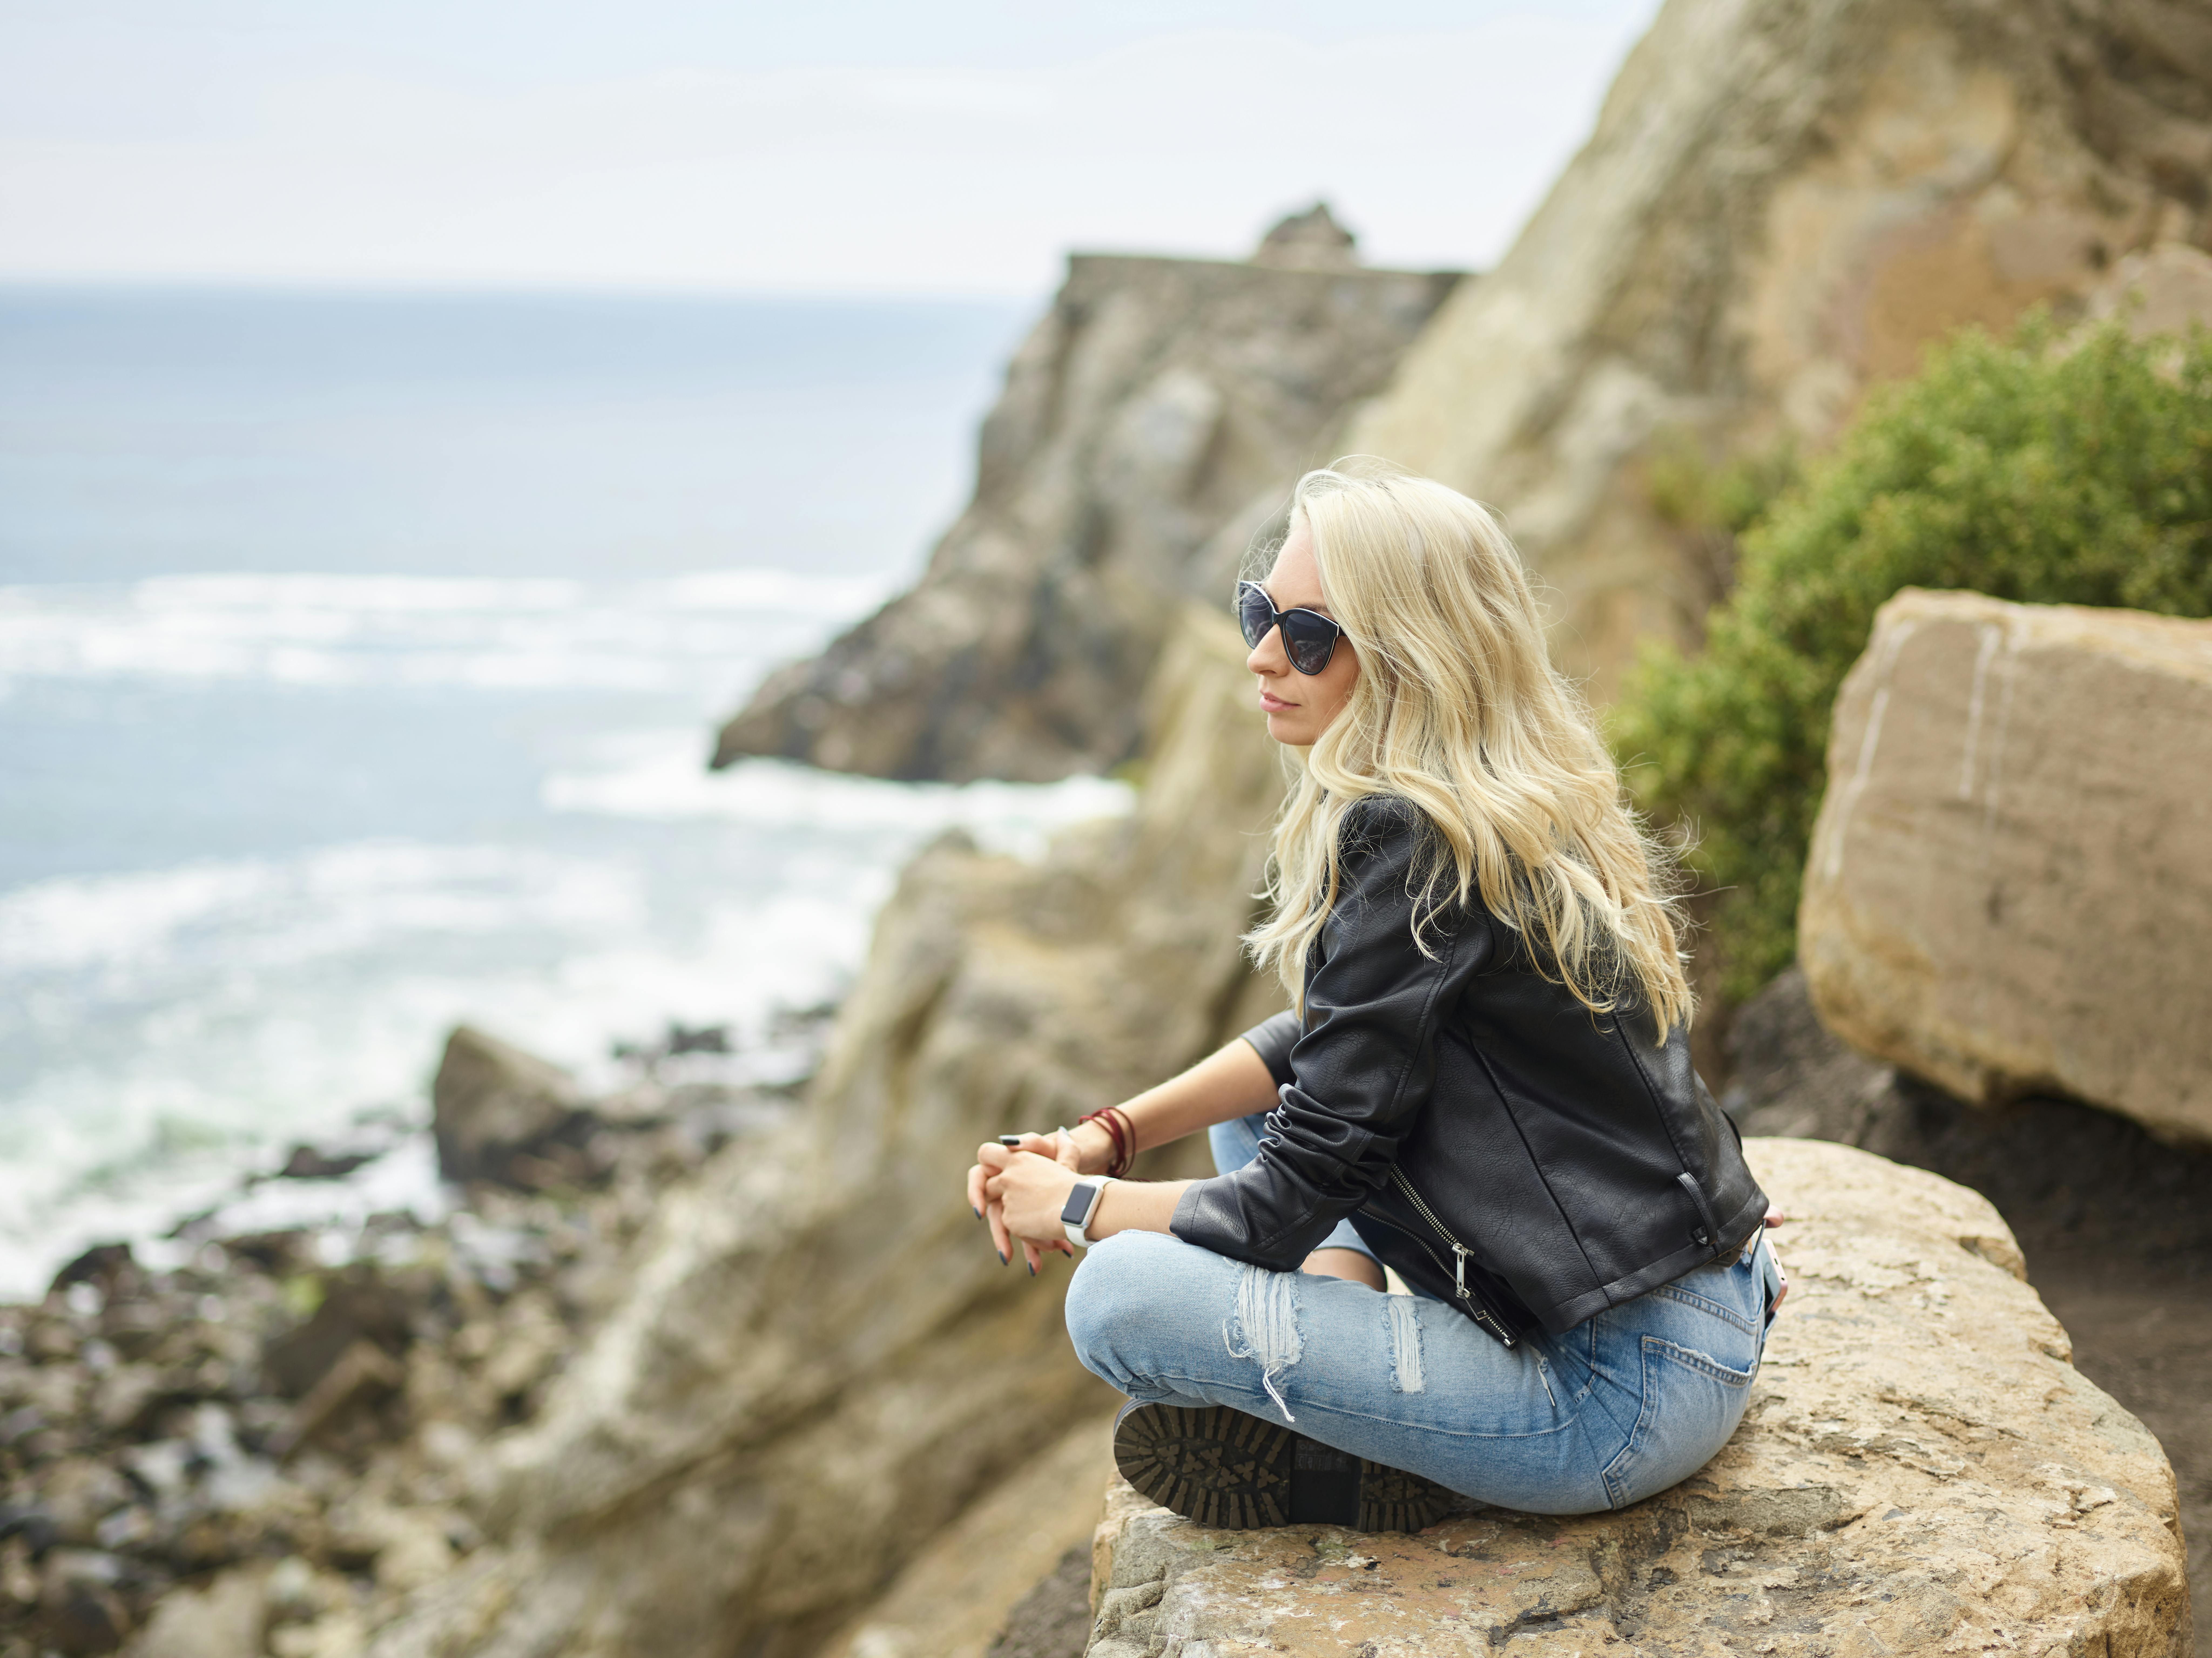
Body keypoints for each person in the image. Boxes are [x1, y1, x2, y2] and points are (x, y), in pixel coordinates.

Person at [967, 459, 1785, 1532]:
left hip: (1608, 1402)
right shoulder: (1497, 802)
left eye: (1309, 633)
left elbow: (1283, 1201)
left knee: (1116, 1298)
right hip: (1697, 1321)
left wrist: (1072, 1210)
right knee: (1274, 1103)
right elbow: (1325, 1044)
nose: (1262, 653)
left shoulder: (1413, 836)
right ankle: (1364, 1386)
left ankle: (1368, 1449)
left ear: (1411, 655)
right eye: (1261, 611)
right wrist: (1109, 1135)